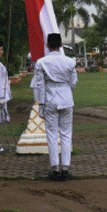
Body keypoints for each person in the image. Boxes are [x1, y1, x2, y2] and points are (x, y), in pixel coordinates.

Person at [31, 33, 77, 181]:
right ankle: (65, 168)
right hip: (66, 97)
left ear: (47, 46)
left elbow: (40, 85)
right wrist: (65, 89)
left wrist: (41, 104)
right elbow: (73, 82)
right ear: (61, 45)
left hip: (50, 98)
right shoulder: (69, 61)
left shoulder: (42, 62)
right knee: (66, 134)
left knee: (51, 134)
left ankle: (55, 168)